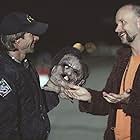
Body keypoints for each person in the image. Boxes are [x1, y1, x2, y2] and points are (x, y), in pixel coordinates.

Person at [63, 4, 140, 140]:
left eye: (123, 22)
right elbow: (108, 102)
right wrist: (89, 97)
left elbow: (128, 101)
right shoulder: (123, 59)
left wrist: (130, 101)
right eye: (117, 24)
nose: (117, 29)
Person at [0, 12, 60, 140]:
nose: (37, 38)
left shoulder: (25, 65)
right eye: (32, 34)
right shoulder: (5, 74)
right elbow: (6, 128)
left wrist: (57, 89)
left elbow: (33, 107)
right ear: (17, 41)